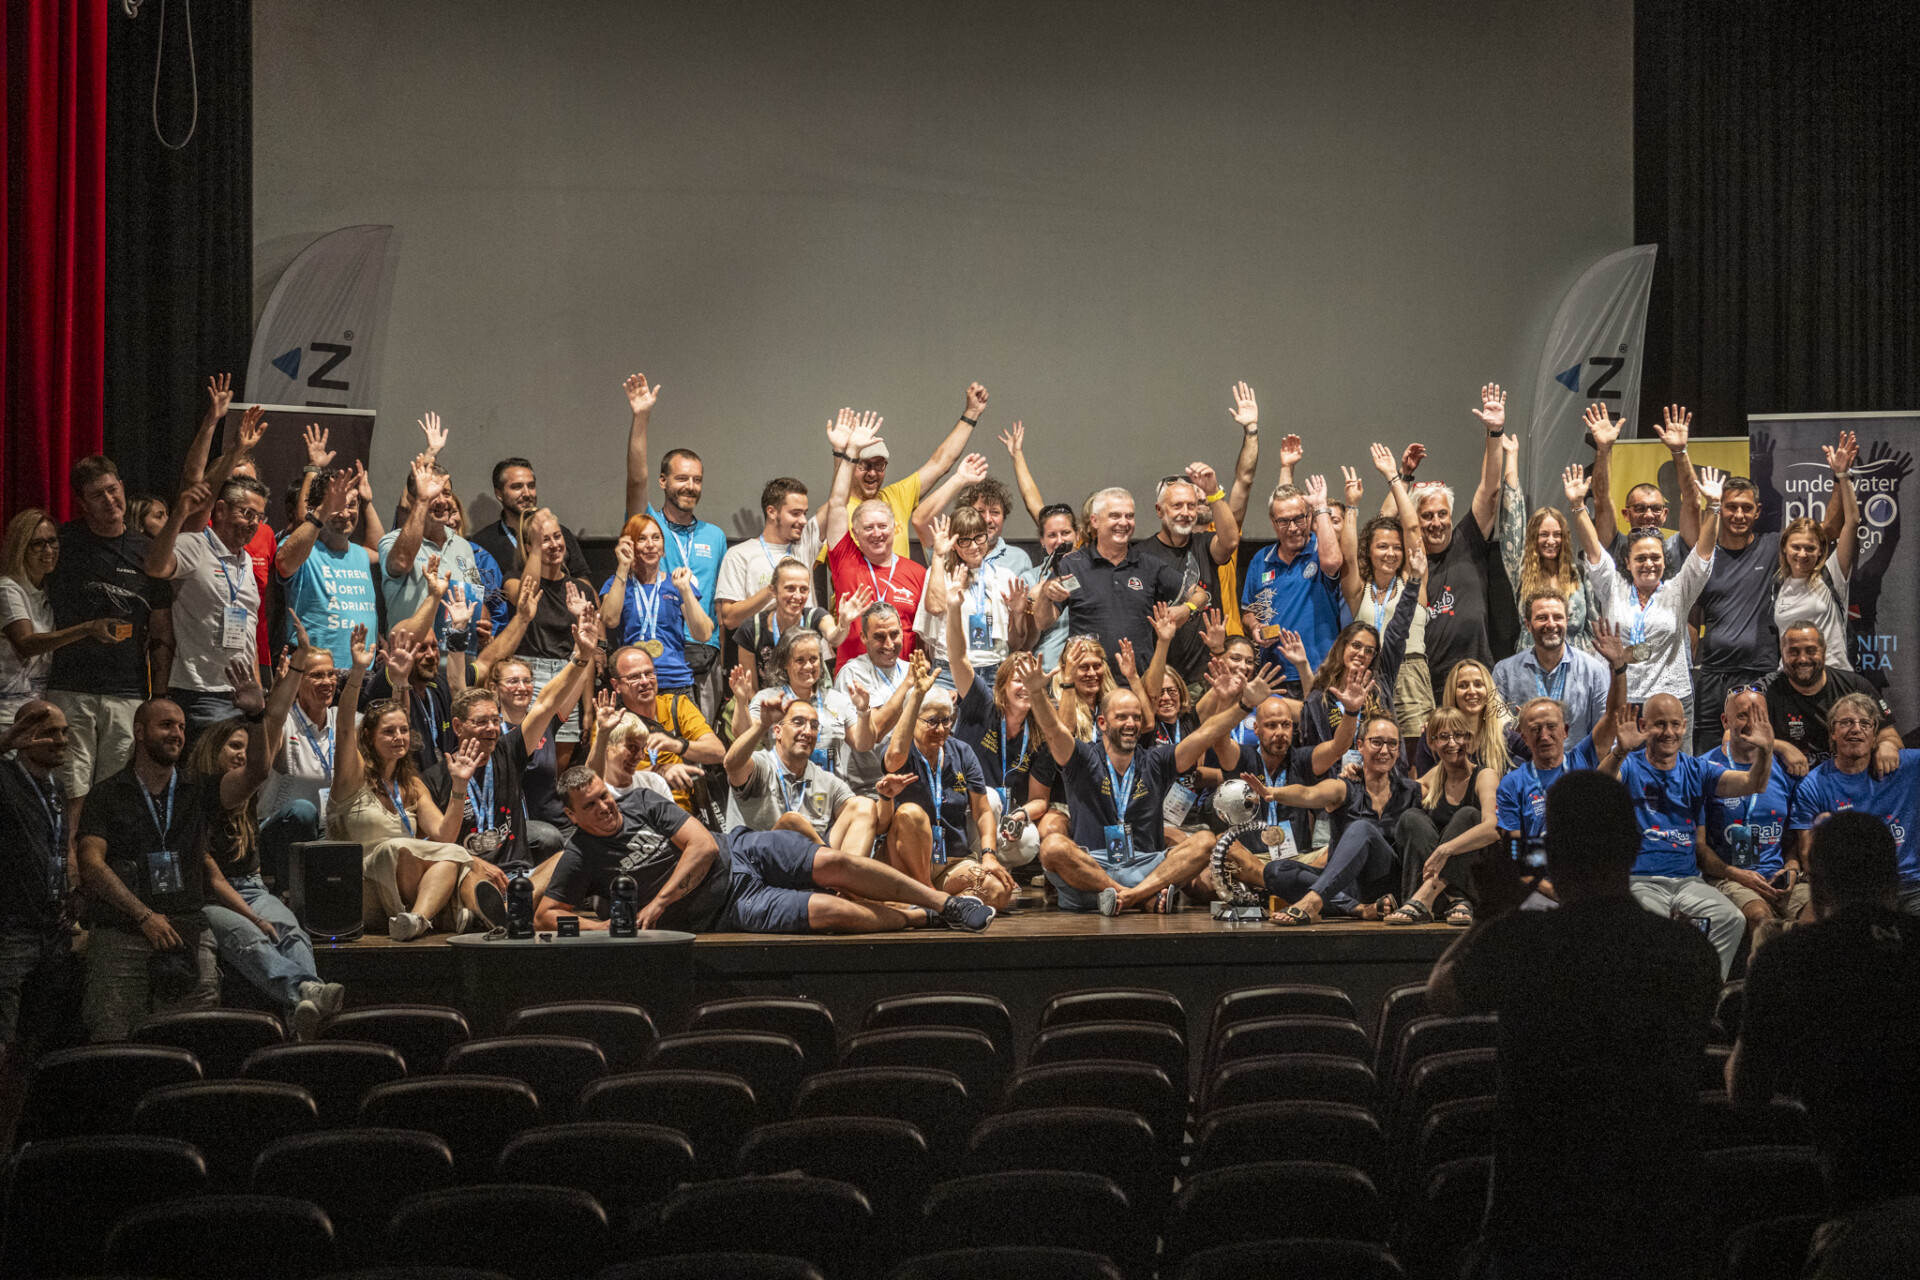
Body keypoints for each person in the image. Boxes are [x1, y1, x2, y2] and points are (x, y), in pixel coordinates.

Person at [1428, 770, 1722, 1279]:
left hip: (1538, 1214)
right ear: (1634, 848)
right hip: (1660, 1214)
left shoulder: (1523, 939)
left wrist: (1494, 915)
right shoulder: (1690, 950)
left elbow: (1442, 993)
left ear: (1553, 854)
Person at [1729, 811, 1920, 1217]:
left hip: (1846, 1196)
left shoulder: (1787, 956)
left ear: (1817, 881)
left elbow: (1746, 1095)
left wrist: (1758, 978)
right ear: (1893, 877)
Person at [544, 766, 998, 934]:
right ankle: (921, 917)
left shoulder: (641, 801)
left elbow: (702, 846)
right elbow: (547, 914)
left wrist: (659, 901)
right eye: (591, 805)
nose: (605, 807)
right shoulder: (581, 854)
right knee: (831, 913)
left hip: (742, 851)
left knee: (834, 861)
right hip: (728, 908)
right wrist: (600, 927)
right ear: (571, 816)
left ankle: (947, 904)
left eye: (604, 796)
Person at [73, 682, 270, 1041]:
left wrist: (257, 717)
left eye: (181, 726)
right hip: (122, 937)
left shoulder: (198, 789)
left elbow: (256, 773)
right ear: (139, 731)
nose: (176, 733)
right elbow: (91, 864)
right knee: (115, 1044)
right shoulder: (107, 793)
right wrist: (143, 915)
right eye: (165, 725)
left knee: (193, 1043)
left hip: (187, 935)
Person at [1023, 652, 1265, 915]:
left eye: (1136, 717)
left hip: (1147, 868)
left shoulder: (1156, 760)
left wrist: (1243, 705)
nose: (1131, 724)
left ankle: (1127, 897)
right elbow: (1053, 730)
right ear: (1102, 723)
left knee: (1206, 841)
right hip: (1091, 871)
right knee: (1053, 846)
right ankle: (1135, 898)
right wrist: (1036, 694)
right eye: (1122, 717)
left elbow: (1206, 735)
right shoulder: (1082, 757)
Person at [186, 655, 345, 1038]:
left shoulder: (246, 794)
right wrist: (256, 918)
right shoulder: (199, 794)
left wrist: (292, 675)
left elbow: (267, 739)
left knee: (294, 933)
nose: (242, 754)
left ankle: (304, 1009)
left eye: (245, 747)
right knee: (252, 938)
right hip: (210, 895)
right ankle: (307, 992)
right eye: (233, 747)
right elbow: (212, 878)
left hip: (252, 886)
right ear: (213, 750)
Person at [327, 624, 497, 941]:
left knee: (448, 854)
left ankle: (416, 919)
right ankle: (455, 913)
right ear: (369, 736)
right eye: (389, 732)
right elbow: (345, 727)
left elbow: (445, 834)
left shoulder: (412, 784)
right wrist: (358, 671)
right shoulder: (352, 776)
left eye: (404, 730)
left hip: (404, 892)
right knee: (397, 847)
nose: (399, 737)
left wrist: (459, 788)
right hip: (360, 886)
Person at [1691, 429, 1850, 753]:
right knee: (1706, 753)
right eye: (1730, 507)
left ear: (1758, 511)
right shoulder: (1705, 555)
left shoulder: (1775, 548)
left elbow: (1829, 531)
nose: (1738, 515)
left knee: (1755, 752)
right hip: (1712, 674)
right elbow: (1693, 615)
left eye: (1746, 508)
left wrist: (1839, 477)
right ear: (1720, 509)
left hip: (1760, 674)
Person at [423, 621, 593, 921]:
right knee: (469, 880)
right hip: (471, 872)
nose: (491, 728)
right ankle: (508, 913)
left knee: (571, 855)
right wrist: (472, 861)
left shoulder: (509, 750)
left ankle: (503, 913)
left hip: (521, 876)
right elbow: (437, 845)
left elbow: (546, 703)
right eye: (481, 722)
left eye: (495, 720)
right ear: (459, 727)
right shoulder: (434, 777)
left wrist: (581, 657)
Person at [1602, 692, 1777, 977]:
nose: (1668, 732)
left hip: (1687, 881)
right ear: (1644, 726)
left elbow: (1752, 783)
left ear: (1685, 726)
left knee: (1730, 918)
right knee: (1653, 928)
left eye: (1675, 724)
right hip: (1640, 880)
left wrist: (1766, 751)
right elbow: (1599, 785)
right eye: (1659, 724)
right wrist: (1619, 751)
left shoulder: (1696, 769)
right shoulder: (1631, 765)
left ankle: (1706, 991)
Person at [45, 456, 175, 832]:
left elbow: (161, 631)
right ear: (82, 503)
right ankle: (68, 860)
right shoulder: (64, 543)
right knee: (71, 787)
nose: (109, 500)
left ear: (122, 487)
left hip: (127, 692)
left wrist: (158, 696)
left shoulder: (147, 551)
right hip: (71, 687)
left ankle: (103, 862)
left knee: (114, 792)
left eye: (112, 489)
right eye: (96, 495)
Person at [1570, 460, 1723, 740]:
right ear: (1627, 562)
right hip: (1620, 698)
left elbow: (1703, 554)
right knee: (1618, 766)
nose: (1649, 563)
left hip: (1670, 702)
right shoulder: (1613, 587)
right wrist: (1579, 506)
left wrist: (1713, 507)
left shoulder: (1678, 590)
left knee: (1670, 767)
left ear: (1665, 561)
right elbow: (1593, 550)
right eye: (1640, 558)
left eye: (1655, 557)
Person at [1244, 714, 1421, 926]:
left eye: (1392, 744)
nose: (1384, 750)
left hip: (1387, 885)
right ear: (1360, 746)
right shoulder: (1345, 787)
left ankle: (1313, 902)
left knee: (1362, 828)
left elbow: (1444, 779)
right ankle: (1358, 909)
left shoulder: (1412, 790)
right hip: (1343, 884)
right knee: (1275, 871)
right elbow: (1308, 793)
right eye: (1376, 742)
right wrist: (1274, 792)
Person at [621, 374, 729, 712]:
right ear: (663, 481)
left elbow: (718, 608)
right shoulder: (647, 523)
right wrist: (641, 418)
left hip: (705, 649)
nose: (690, 486)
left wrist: (722, 661)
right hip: (662, 647)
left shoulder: (715, 535)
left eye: (697, 480)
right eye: (682, 478)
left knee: (702, 738)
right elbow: (636, 478)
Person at [1404, 385, 1509, 727]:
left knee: (1503, 745)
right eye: (1427, 516)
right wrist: (1401, 479)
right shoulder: (1408, 559)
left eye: (1442, 514)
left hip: (1480, 682)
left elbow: (1490, 490)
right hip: (1430, 690)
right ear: (1415, 520)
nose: (1436, 522)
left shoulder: (1468, 539)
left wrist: (1495, 433)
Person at [882, 654, 1018, 910]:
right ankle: (928, 897)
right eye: (932, 721)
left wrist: (989, 855)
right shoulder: (902, 749)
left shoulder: (962, 752)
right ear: (913, 719)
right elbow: (893, 759)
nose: (941, 728)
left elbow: (982, 811)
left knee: (998, 891)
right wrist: (916, 696)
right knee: (911, 813)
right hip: (904, 862)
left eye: (946, 720)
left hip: (951, 861)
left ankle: (938, 907)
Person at [145, 474, 268, 728]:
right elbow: (156, 567)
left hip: (243, 696)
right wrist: (179, 515)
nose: (254, 523)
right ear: (220, 510)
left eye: (260, 516)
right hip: (200, 692)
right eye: (248, 513)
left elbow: (250, 634)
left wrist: (256, 691)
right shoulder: (195, 545)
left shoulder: (246, 561)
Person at [722, 668, 882, 859]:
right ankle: (838, 868)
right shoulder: (762, 764)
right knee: (792, 822)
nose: (807, 731)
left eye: (814, 726)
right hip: (762, 864)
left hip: (813, 864)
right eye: (798, 722)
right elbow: (732, 765)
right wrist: (761, 725)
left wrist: (887, 798)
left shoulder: (825, 779)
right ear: (777, 731)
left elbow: (874, 819)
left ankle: (842, 874)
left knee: (864, 805)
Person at [821, 381, 989, 562]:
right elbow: (809, 564)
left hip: (902, 581)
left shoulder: (896, 496)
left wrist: (972, 413)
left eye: (879, 466)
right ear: (852, 464)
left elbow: (939, 463)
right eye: (865, 465)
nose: (872, 473)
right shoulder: (836, 511)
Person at [1032, 487, 1188, 676]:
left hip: (1137, 683)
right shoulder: (1073, 566)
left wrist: (1188, 608)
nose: (1124, 522)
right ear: (1095, 521)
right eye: (1115, 516)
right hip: (1088, 681)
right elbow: (1042, 622)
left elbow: (1199, 593)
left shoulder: (1149, 566)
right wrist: (1045, 595)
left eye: (1129, 516)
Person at [1788, 694, 1920, 915]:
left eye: (1865, 723)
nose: (1856, 729)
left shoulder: (1906, 765)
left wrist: (1890, 744)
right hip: (1854, 894)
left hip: (1912, 886)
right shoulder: (1813, 785)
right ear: (1832, 732)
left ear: (1875, 733)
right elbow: (1807, 856)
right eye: (1846, 722)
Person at [0, 704, 80, 1064]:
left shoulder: (55, 787)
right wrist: (4, 743)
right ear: (23, 736)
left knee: (34, 1044)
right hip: (12, 931)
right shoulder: (5, 777)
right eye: (49, 732)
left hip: (51, 931)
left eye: (64, 731)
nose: (60, 740)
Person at [1697, 687, 1810, 935]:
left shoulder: (1786, 769)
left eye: (1760, 716)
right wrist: (1738, 875)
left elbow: (1793, 836)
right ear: (1725, 722)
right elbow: (1699, 848)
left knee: (1816, 914)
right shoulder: (1703, 768)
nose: (1752, 724)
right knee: (1760, 917)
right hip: (1729, 876)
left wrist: (1791, 868)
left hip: (1778, 876)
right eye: (1742, 716)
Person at [1341, 446, 1430, 743]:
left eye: (1396, 547)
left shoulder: (1412, 579)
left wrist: (1394, 477)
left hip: (1410, 672)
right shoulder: (1359, 590)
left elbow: (1413, 528)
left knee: (1415, 751)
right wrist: (1352, 506)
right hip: (1367, 673)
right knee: (1368, 749)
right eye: (1382, 546)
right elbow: (1348, 555)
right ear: (1369, 550)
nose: (1390, 553)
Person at [1, 509, 122, 728]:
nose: (48, 551)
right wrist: (88, 628)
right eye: (37, 544)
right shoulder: (8, 588)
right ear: (20, 547)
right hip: (7, 715)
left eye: (52, 541)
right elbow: (26, 644)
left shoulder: (46, 590)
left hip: (36, 712)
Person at [1383, 707, 1503, 926]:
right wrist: (1357, 772)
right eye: (1444, 736)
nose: (1452, 743)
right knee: (1411, 817)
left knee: (1468, 815)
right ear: (1432, 743)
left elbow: (1493, 828)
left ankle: (1432, 898)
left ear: (1469, 739)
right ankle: (1446, 899)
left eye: (1459, 735)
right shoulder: (1432, 778)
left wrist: (1446, 849)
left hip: (1475, 887)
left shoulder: (1484, 776)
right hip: (1439, 893)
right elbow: (1386, 789)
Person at [1133, 464, 1242, 685]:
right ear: (1159, 510)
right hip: (1160, 676)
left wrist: (1213, 492)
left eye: (1191, 506)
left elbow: (1230, 541)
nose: (1185, 513)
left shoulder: (1205, 544)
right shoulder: (1140, 555)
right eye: (1177, 506)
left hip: (1205, 674)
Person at [1495, 691, 1623, 875]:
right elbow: (1515, 852)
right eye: (1535, 729)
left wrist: (1618, 674)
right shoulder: (1512, 783)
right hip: (1540, 880)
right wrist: (1551, 887)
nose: (1544, 735)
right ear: (1525, 738)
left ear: (1565, 731)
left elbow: (1613, 713)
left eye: (1551, 726)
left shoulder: (1582, 761)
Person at [1240, 475, 1344, 693]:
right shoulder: (1261, 559)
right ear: (1273, 523)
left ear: (1309, 516)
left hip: (1321, 670)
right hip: (1274, 674)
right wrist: (1255, 627)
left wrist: (1321, 506)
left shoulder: (1321, 551)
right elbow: (1249, 612)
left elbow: (1333, 563)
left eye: (1299, 518)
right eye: (1284, 521)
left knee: (1325, 718)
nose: (1293, 527)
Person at [379, 444, 485, 650]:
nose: (442, 501)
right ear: (413, 500)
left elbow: (474, 596)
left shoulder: (463, 546)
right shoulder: (392, 541)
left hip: (456, 659)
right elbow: (400, 563)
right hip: (410, 659)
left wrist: (482, 625)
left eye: (447, 493)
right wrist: (423, 500)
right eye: (433, 494)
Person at [274, 468, 381, 670]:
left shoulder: (360, 554)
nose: (345, 513)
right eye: (337, 506)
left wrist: (366, 502)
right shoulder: (303, 549)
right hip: (314, 672)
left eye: (351, 505)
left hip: (360, 672)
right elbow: (284, 563)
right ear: (316, 509)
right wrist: (322, 512)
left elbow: (379, 549)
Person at [743, 627, 878, 783]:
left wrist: (863, 711)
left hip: (830, 791)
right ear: (785, 663)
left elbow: (864, 745)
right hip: (782, 791)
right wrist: (741, 701)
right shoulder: (768, 699)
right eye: (800, 660)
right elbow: (743, 734)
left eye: (813, 659)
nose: (808, 666)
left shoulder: (836, 700)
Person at [1585, 400, 1701, 581]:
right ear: (1626, 514)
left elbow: (1692, 502)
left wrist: (1679, 452)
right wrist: (1603, 449)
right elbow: (1601, 500)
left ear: (1665, 514)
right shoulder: (1616, 545)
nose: (1648, 515)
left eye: (1656, 508)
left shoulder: (1678, 547)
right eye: (1639, 508)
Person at [600, 511, 712, 698]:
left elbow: (703, 634)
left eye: (656, 538)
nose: (650, 545)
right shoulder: (617, 583)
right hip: (634, 683)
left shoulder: (676, 583)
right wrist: (623, 567)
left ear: (663, 548)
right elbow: (609, 620)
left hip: (676, 682)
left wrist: (685, 589)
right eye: (641, 539)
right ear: (629, 546)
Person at [1763, 623, 1900, 775]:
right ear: (1782, 654)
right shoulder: (1766, 690)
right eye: (1793, 652)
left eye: (1810, 650)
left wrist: (1887, 745)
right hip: (1792, 780)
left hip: (1846, 778)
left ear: (1824, 651)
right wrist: (1781, 747)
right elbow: (1740, 739)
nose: (1802, 659)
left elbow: (1889, 734)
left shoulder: (1856, 685)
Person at [604, 644, 726, 815]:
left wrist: (677, 745)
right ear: (616, 685)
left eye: (649, 673)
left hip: (683, 811)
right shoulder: (610, 722)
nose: (645, 681)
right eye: (634, 677)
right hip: (635, 813)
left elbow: (718, 752)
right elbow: (606, 779)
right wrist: (659, 773)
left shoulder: (677, 705)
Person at [1774, 432, 1861, 669]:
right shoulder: (1779, 585)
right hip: (1791, 679)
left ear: (1821, 550)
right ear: (1784, 548)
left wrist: (1842, 475)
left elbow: (1852, 522)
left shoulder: (1832, 574)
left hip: (1832, 676)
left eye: (1810, 548)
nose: (1802, 554)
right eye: (1796, 547)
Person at [257, 638, 339, 887]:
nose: (327, 682)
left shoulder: (340, 720)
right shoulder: (286, 721)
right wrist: (280, 691)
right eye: (317, 675)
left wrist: (399, 682)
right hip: (277, 831)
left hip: (324, 831)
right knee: (303, 811)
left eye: (331, 674)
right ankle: (289, 892)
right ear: (298, 681)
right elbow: (273, 719)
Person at [915, 510, 1027, 691]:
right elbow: (935, 607)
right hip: (950, 671)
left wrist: (1019, 613)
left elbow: (1016, 644)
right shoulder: (940, 572)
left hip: (995, 670)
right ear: (954, 544)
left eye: (979, 537)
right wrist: (938, 555)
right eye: (965, 540)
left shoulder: (1004, 577)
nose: (974, 546)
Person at [1498, 453, 1595, 655]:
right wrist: (1513, 455)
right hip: (1531, 663)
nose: (1551, 541)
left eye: (1557, 535)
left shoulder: (1579, 575)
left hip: (1575, 664)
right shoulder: (1521, 573)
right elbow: (1511, 523)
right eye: (1544, 534)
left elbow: (1594, 627)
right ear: (1533, 538)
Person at [1493, 591, 1613, 746]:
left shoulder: (1594, 671)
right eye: (1542, 618)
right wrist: (1516, 732)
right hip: (1525, 760)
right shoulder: (1504, 672)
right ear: (1528, 625)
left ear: (1567, 621)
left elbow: (1605, 733)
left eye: (1558, 617)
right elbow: (1494, 732)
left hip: (1576, 760)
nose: (1551, 624)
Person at [714, 474, 830, 630]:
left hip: (808, 642)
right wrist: (771, 591)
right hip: (765, 643)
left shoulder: (804, 545)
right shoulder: (739, 555)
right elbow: (729, 619)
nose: (803, 520)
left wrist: (848, 460)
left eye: (805, 513)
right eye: (795, 513)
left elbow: (836, 502)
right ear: (771, 512)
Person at [832, 603, 919, 795]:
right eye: (879, 637)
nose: (889, 644)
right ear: (863, 637)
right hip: (868, 786)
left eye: (894, 634)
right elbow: (875, 733)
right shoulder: (853, 673)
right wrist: (908, 685)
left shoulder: (909, 669)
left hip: (911, 778)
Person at [469, 455, 592, 581]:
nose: (527, 493)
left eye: (531, 486)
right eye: (517, 487)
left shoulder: (559, 534)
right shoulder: (483, 542)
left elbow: (583, 582)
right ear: (499, 494)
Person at [733, 558, 850, 689]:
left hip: (811, 700)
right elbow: (750, 689)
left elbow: (834, 638)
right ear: (773, 590)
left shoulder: (815, 617)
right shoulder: (751, 628)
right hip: (768, 700)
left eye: (803, 589)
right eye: (790, 588)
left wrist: (844, 623)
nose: (797, 596)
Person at [953, 471, 1034, 578]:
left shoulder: (1020, 559)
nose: (987, 519)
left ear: (1004, 516)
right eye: (980, 511)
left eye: (995, 512)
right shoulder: (952, 554)